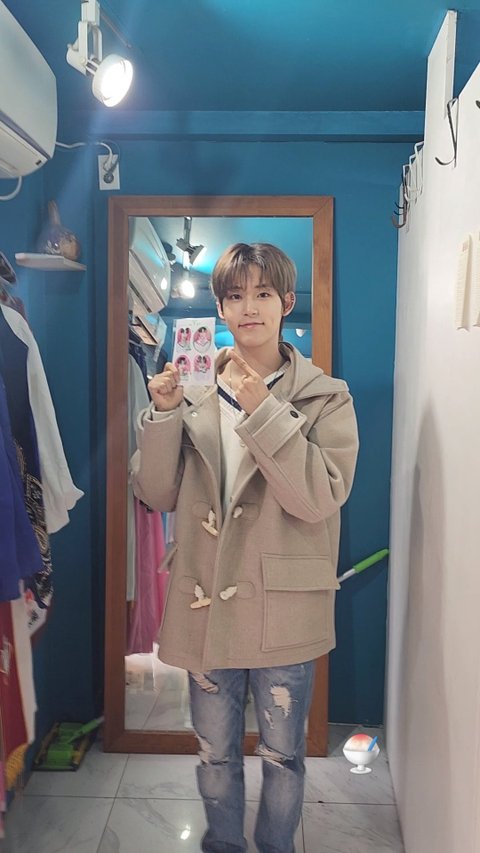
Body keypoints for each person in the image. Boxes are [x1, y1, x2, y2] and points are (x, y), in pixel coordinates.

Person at [131, 242, 359, 853]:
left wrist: (265, 412)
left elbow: (319, 497)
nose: (249, 308)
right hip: (206, 601)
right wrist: (163, 416)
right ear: (221, 308)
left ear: (286, 302)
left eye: (262, 294)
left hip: (284, 606)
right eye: (235, 295)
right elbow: (156, 493)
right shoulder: (195, 391)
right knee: (213, 755)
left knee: (283, 758)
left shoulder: (325, 397)